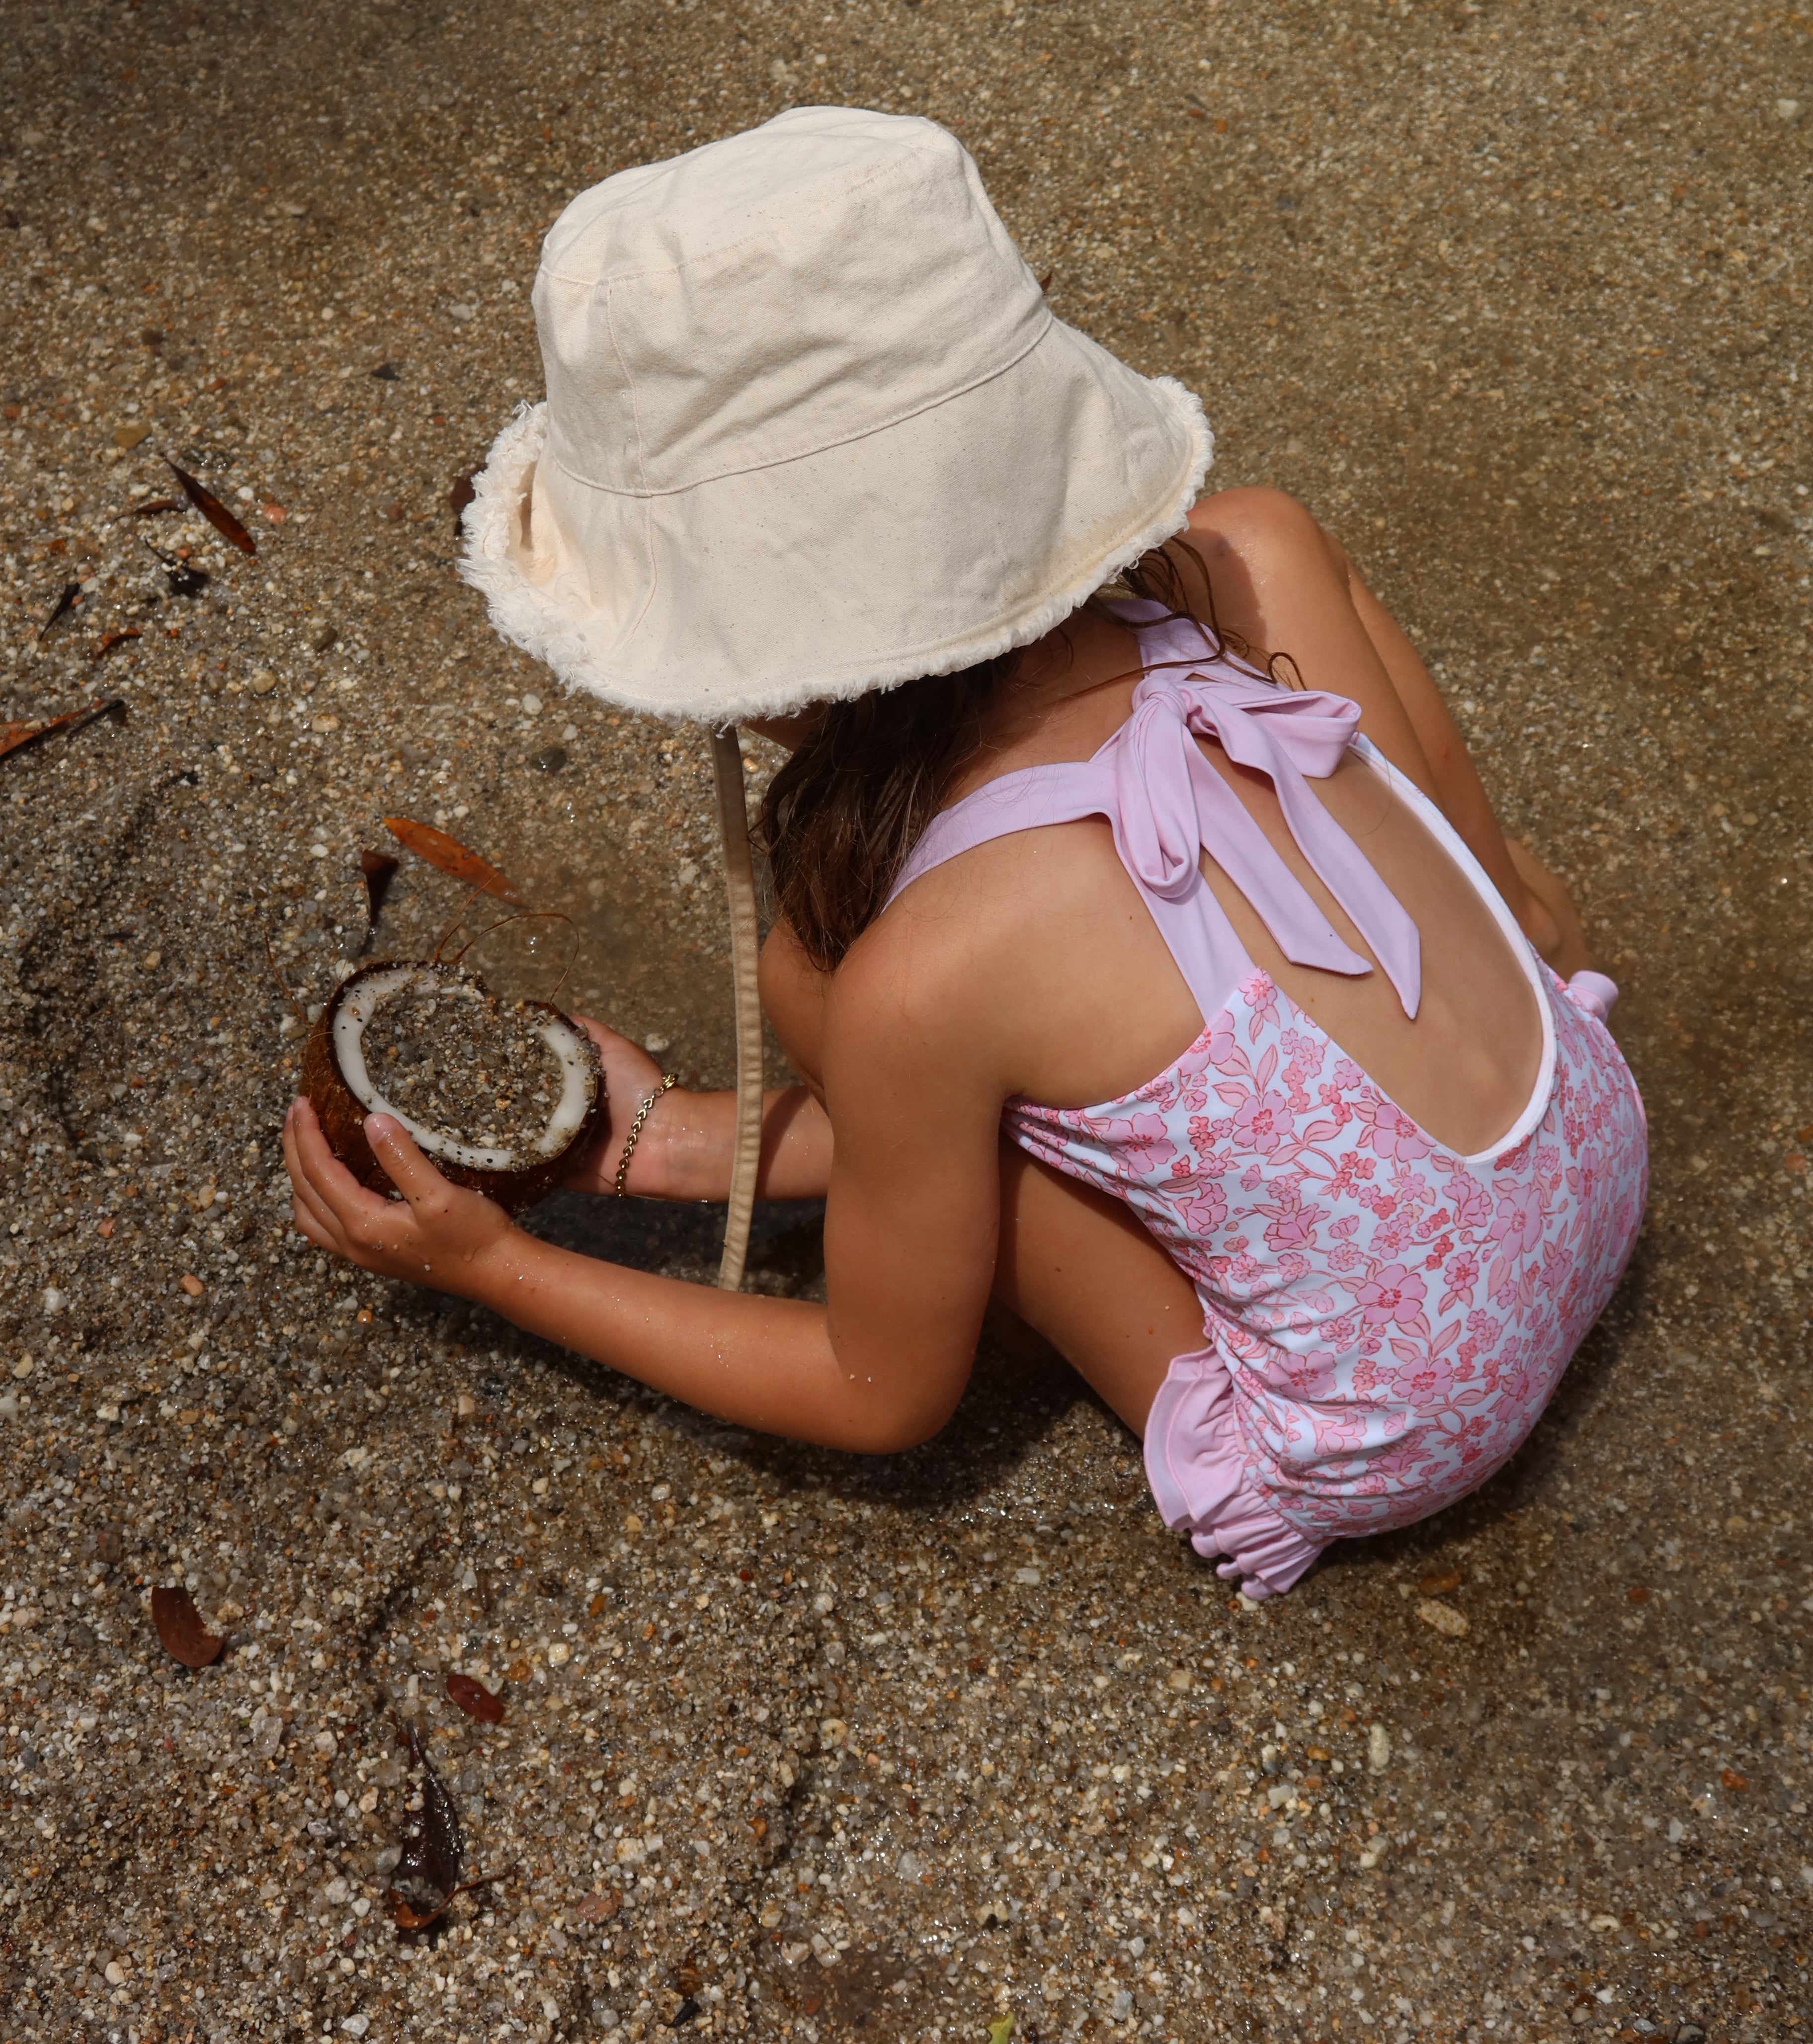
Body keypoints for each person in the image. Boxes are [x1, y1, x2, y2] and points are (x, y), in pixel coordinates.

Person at [282, 107, 1647, 1597]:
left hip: (1392, 1429)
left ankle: (1263, 1389)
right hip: (1591, 1150)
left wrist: (501, 1271)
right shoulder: (1259, 558)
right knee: (1020, 1039)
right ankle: (718, 1137)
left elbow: (879, 1393)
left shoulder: (926, 972)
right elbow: (1529, 918)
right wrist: (671, 1139)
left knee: (860, 1004)